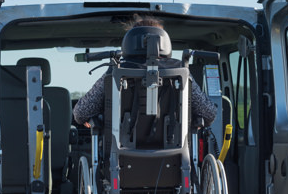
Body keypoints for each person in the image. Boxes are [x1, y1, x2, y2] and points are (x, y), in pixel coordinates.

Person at [73, 15, 216, 128]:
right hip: (175, 156)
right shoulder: (180, 71)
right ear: (163, 43)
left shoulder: (116, 70)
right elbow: (209, 114)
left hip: (119, 155)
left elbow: (80, 113)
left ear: (131, 43)